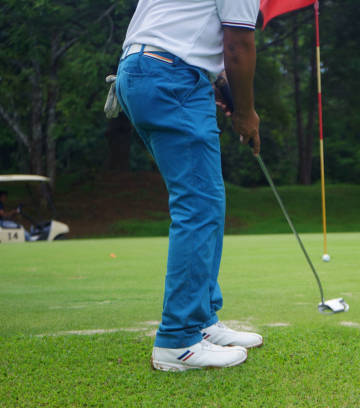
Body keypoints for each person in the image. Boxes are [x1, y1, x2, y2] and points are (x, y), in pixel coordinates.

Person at [115, 0, 262, 371]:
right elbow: (238, 44)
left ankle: (202, 323)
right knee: (198, 205)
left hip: (145, 72)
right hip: (170, 77)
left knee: (205, 200)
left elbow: (181, 29)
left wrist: (213, 82)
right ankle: (179, 340)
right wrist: (245, 112)